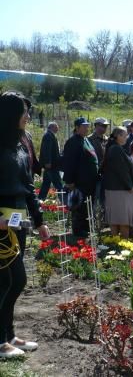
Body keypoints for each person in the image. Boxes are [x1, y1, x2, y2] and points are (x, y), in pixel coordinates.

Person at [0, 93, 49, 358]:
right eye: (24, 112)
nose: (28, 117)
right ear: (10, 115)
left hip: (18, 220)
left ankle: (9, 336)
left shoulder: (19, 144)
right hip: (1, 223)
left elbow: (29, 186)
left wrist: (39, 220)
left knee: (10, 282)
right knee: (12, 280)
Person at [62, 117, 99, 238]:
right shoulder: (73, 142)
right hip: (79, 182)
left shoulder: (85, 140)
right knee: (79, 206)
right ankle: (78, 230)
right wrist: (70, 181)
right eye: (84, 126)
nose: (86, 128)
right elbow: (69, 163)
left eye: (87, 126)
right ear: (77, 128)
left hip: (89, 182)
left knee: (87, 205)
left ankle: (86, 228)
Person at [102, 127, 133, 239]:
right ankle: (122, 243)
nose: (127, 137)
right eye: (125, 135)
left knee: (116, 218)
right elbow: (121, 170)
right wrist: (129, 185)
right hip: (120, 189)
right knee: (123, 219)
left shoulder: (115, 148)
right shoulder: (116, 149)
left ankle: (115, 243)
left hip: (115, 189)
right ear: (118, 136)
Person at [38, 122, 63, 201]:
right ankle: (64, 202)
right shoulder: (48, 136)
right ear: (52, 127)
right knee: (58, 184)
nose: (58, 129)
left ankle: (40, 200)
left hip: (51, 165)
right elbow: (47, 150)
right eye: (57, 127)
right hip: (51, 165)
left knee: (46, 184)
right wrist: (47, 162)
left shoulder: (50, 135)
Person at [88, 117, 109, 206]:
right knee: (94, 198)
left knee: (105, 199)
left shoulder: (107, 140)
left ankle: (103, 218)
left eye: (106, 126)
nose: (104, 128)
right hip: (93, 173)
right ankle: (94, 218)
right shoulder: (89, 139)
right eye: (102, 126)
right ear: (96, 126)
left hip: (105, 173)